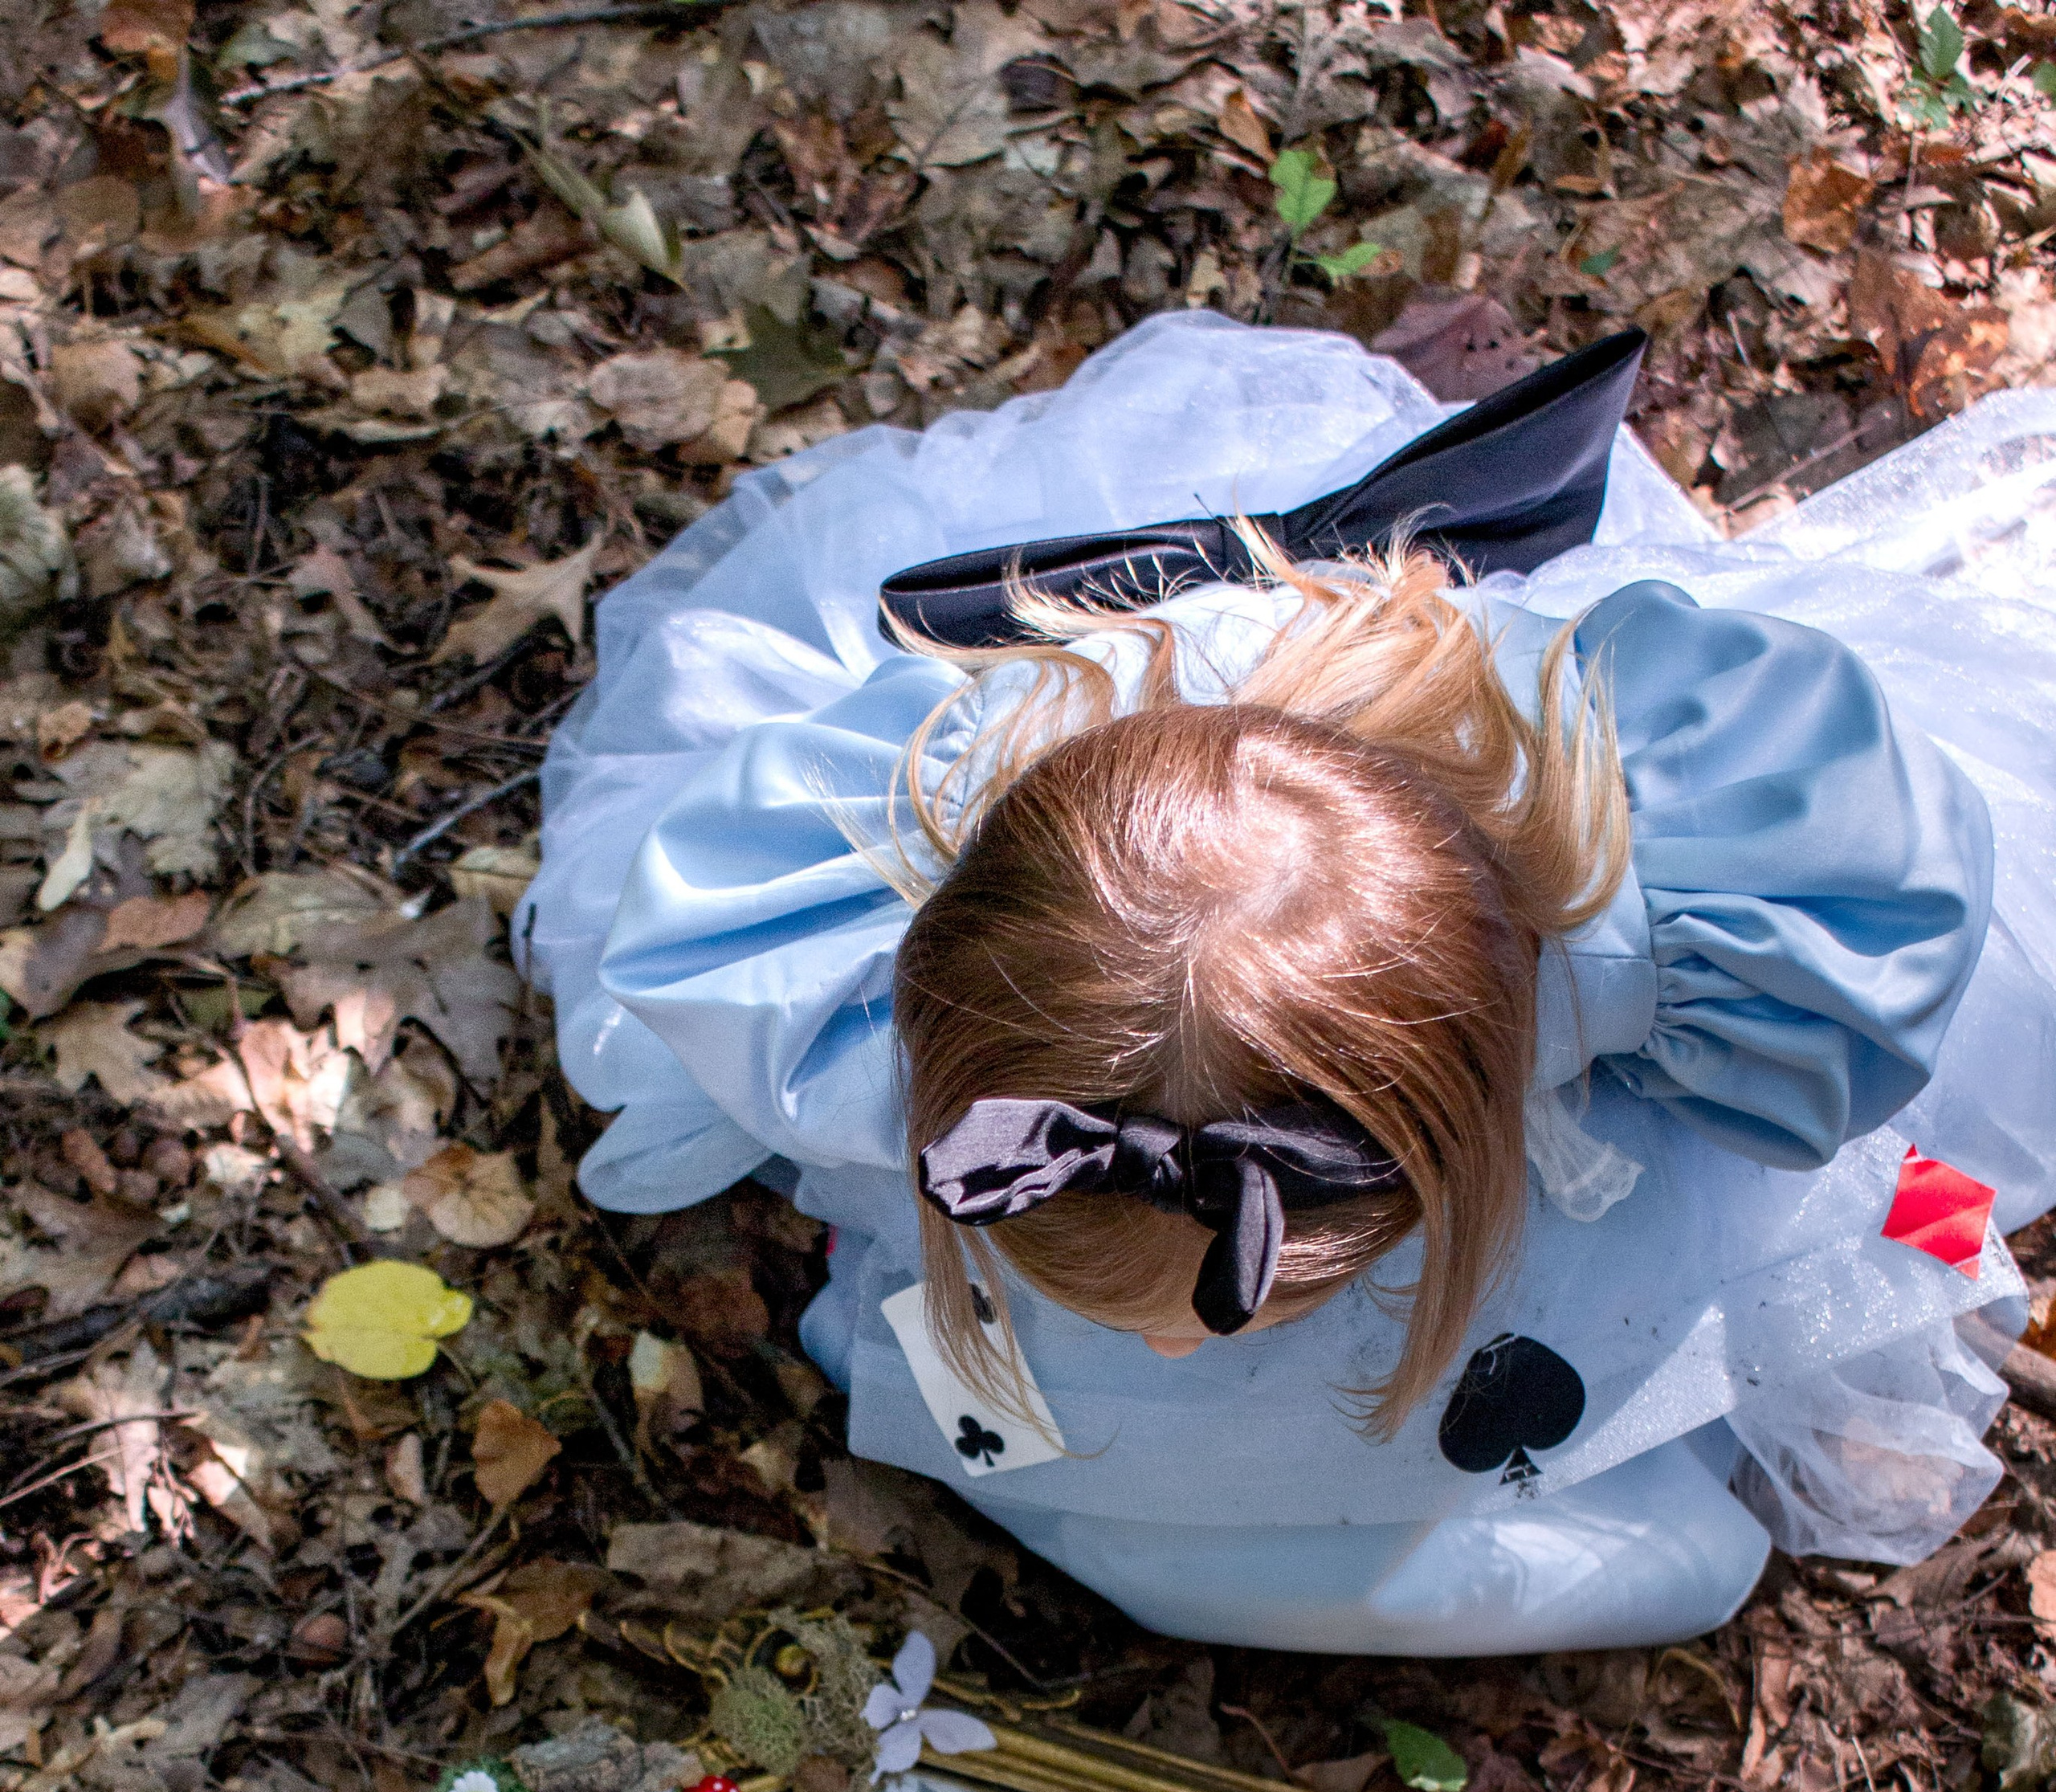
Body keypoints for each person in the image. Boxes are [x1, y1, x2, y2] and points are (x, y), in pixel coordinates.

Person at [530, 312, 2056, 1654]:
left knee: (1627, 1491)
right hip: (1114, 821)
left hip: (1507, 947)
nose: (1176, 1353)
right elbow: (697, 975)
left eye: (1204, 1313)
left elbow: (1884, 926)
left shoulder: (1657, 927)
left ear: (1460, 1117)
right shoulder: (877, 927)